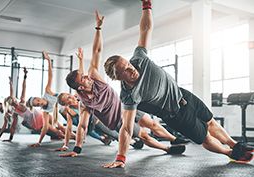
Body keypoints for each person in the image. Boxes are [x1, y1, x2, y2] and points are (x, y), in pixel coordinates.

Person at [103, 0, 254, 168]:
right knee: (205, 137)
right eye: (125, 69)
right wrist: (121, 157)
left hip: (185, 95)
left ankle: (235, 145)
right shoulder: (129, 95)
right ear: (118, 77)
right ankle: (229, 154)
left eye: (128, 64)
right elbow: (126, 127)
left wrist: (147, 5)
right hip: (176, 115)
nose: (131, 68)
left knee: (211, 121)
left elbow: (145, 29)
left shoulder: (139, 58)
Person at [62, 10, 187, 158]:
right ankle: (167, 149)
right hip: (118, 121)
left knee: (152, 124)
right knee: (144, 135)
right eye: (83, 78)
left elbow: (97, 51)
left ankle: (174, 139)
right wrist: (77, 148)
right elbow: (82, 126)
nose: (87, 77)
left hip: (126, 105)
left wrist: (98, 28)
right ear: (81, 87)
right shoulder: (85, 104)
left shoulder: (94, 77)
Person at [26, 52, 67, 147]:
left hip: (70, 104)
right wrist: (39, 142)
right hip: (66, 114)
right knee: (67, 131)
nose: (40, 104)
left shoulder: (47, 92)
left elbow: (50, 76)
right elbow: (44, 127)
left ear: (39, 98)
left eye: (38, 101)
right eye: (37, 105)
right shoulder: (45, 111)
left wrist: (48, 61)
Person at [0, 77, 18, 141]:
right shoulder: (5, 115)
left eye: (1, 106)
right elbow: (4, 126)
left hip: (19, 114)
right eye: (0, 108)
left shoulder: (8, 105)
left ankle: (10, 138)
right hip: (15, 118)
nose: (1, 107)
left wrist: (10, 84)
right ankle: (10, 138)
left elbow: (11, 93)